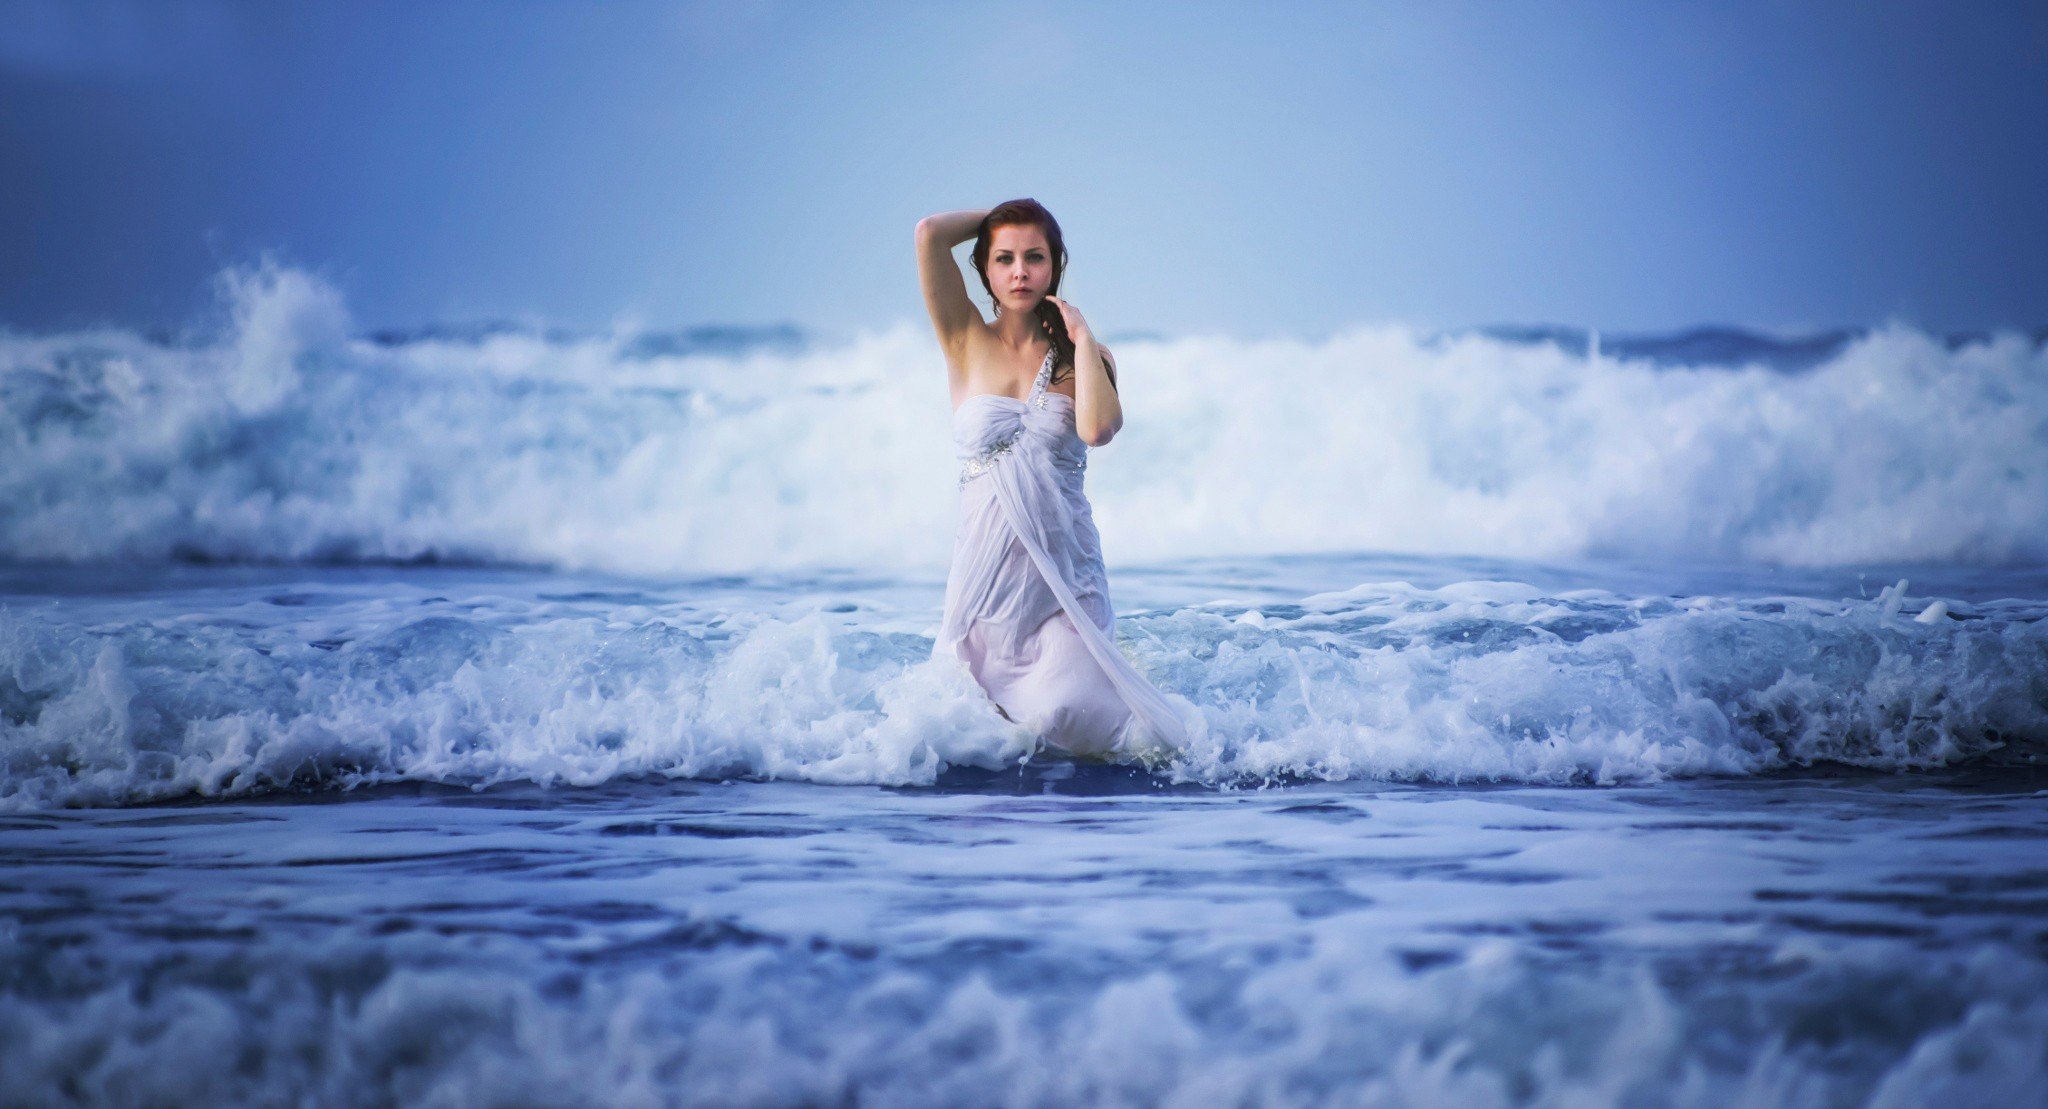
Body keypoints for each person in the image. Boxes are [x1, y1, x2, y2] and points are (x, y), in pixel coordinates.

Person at [915, 198, 1188, 757]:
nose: (1020, 272)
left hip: (1063, 576)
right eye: (1004, 258)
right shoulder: (964, 338)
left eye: (1035, 257)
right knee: (974, 726)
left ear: (1055, 265)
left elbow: (1098, 429)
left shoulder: (1086, 355)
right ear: (986, 269)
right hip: (985, 580)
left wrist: (1083, 340)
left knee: (1073, 713)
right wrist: (1000, 212)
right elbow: (929, 234)